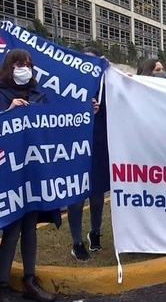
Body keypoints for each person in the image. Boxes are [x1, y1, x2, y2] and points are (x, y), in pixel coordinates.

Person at [0, 49, 58, 302]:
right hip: (9, 175)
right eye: (19, 63)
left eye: (28, 64)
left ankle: (29, 281)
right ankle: (2, 286)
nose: (24, 67)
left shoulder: (40, 95)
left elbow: (54, 128)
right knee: (11, 231)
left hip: (33, 173)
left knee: (30, 229)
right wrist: (9, 112)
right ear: (9, 67)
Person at [67, 46, 110, 261]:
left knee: (97, 194)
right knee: (75, 197)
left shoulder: (106, 86)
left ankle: (95, 232)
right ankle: (76, 242)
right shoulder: (69, 86)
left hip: (100, 146)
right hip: (75, 149)